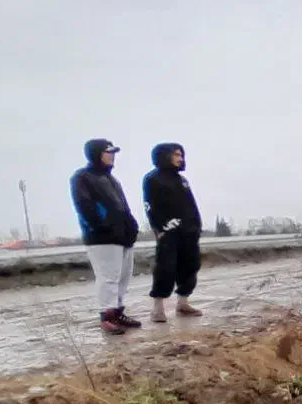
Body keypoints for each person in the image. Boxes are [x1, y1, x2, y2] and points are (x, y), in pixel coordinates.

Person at [71, 139, 141, 334]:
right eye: (108, 152)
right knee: (108, 277)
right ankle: (107, 316)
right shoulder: (82, 177)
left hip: (122, 236)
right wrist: (99, 226)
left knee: (123, 276)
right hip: (101, 238)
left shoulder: (112, 179)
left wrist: (131, 226)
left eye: (113, 152)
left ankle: (117, 311)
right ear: (96, 154)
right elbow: (84, 206)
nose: (112, 156)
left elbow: (122, 206)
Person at [143, 142, 204, 322]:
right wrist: (159, 228)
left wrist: (197, 225)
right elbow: (149, 206)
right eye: (176, 155)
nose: (180, 158)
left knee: (191, 266)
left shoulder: (181, 180)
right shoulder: (153, 179)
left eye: (181, 155)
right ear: (165, 156)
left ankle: (183, 304)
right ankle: (158, 309)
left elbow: (191, 205)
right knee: (165, 268)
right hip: (169, 232)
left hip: (189, 232)